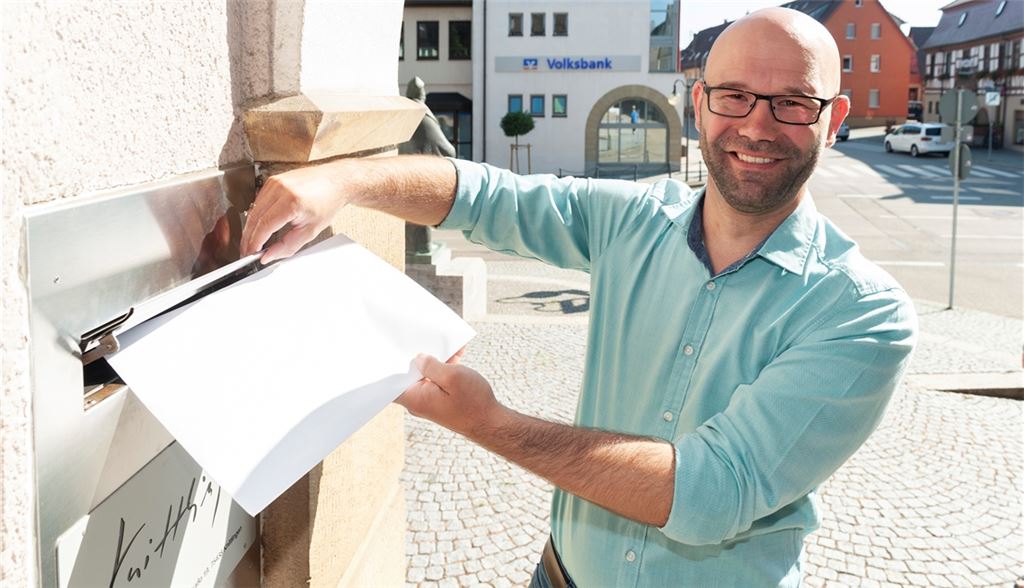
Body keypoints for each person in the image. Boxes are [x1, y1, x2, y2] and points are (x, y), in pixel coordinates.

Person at [240, 8, 916, 587]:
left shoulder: (861, 313)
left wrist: (489, 424)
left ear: (835, 119)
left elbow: (712, 492)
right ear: (699, 100)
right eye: (734, 95)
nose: (758, 126)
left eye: (793, 103)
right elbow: (488, 197)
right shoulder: (634, 219)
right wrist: (347, 180)